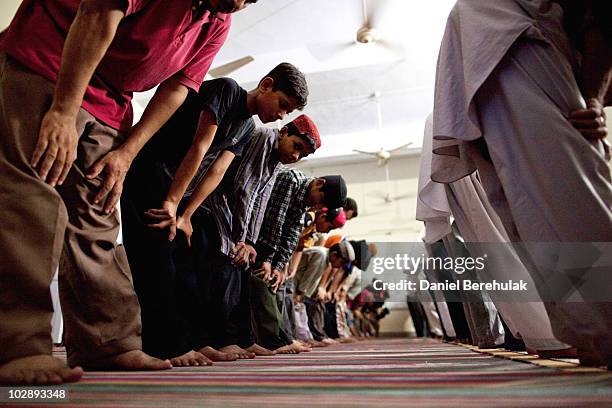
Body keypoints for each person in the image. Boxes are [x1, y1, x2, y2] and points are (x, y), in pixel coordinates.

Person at [0, 0, 259, 384]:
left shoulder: (216, 22)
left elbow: (176, 88)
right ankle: (16, 347)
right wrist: (63, 111)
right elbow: (96, 14)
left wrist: (126, 153)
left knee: (97, 218)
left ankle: (107, 343)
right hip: (49, 63)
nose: (239, 3)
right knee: (32, 203)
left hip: (109, 102)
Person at [432, 0, 612, 365]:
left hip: (508, 42)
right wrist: (592, 97)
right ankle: (592, 333)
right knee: (548, 212)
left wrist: (594, 97)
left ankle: (597, 334)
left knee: (553, 208)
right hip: (506, 43)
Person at [121, 64, 308, 366]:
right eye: (282, 105)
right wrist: (171, 201)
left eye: (288, 112)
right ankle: (163, 346)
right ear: (266, 85)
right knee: (155, 261)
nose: (281, 116)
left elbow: (217, 171)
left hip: (176, 187)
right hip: (150, 169)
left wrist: (186, 214)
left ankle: (190, 341)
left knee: (184, 266)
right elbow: (200, 145)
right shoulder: (227, 90)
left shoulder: (247, 128)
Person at [189, 115, 320, 358]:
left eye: (302, 156)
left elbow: (260, 201)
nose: (295, 157)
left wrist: (249, 241)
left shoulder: (275, 162)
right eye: (296, 146)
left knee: (240, 268)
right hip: (206, 202)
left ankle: (241, 339)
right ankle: (217, 340)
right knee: (222, 270)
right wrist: (242, 239)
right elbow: (244, 188)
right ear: (283, 132)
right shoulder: (263, 138)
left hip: (226, 212)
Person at [250, 170, 348, 353]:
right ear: (319, 183)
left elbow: (291, 235)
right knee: (263, 281)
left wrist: (279, 266)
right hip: (255, 239)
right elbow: (274, 220)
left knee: (276, 283)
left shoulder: (304, 201)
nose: (317, 207)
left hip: (267, 246)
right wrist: (269, 260)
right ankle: (275, 341)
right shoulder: (291, 181)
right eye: (320, 200)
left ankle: (283, 337)